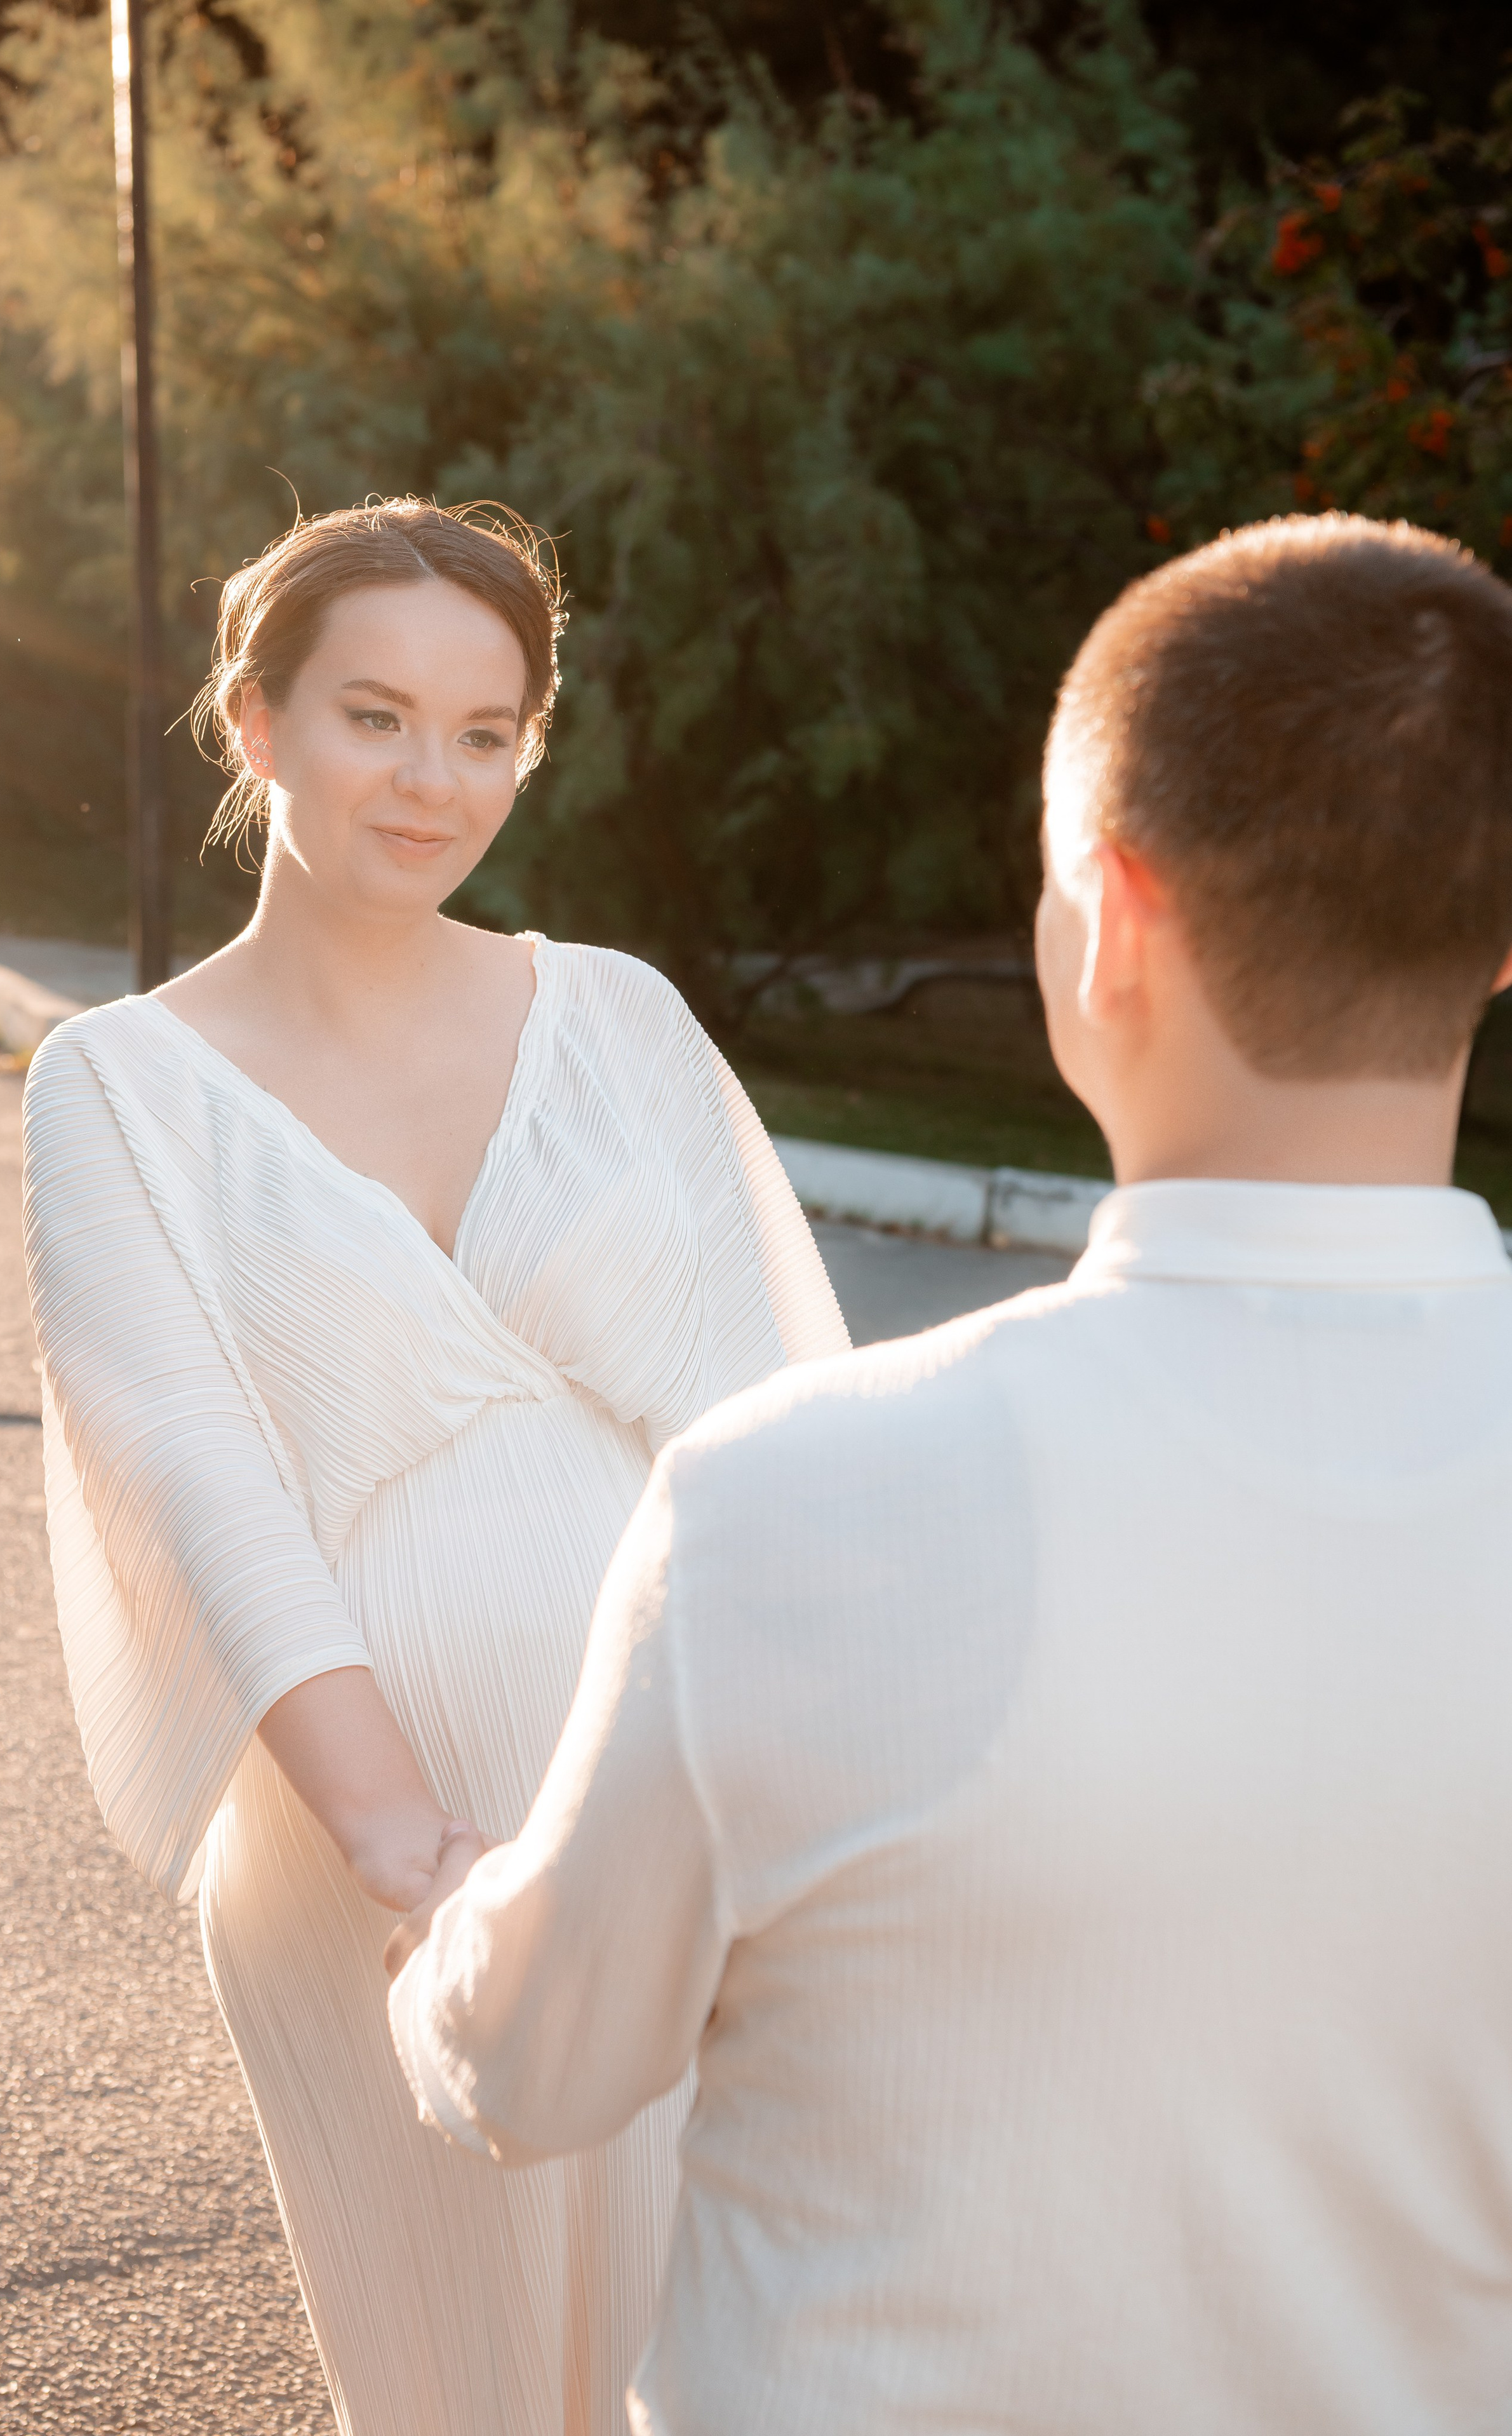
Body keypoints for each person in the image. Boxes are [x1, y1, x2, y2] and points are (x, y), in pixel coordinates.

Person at [388, 513, 1512, 2435]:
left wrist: (449, 1919)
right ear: (1497, 946)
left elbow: (532, 2067)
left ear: (1108, 921)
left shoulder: (805, 1502)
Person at [20, 497, 848, 2436]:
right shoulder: (118, 1088)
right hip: (367, 1849)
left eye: (488, 731)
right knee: (461, 2382)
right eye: (376, 715)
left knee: (719, 2357)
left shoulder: (620, 1017)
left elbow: (775, 1433)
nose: (433, 778)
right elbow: (194, 1479)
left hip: (686, 1791)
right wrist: (414, 1852)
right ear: (255, 719)